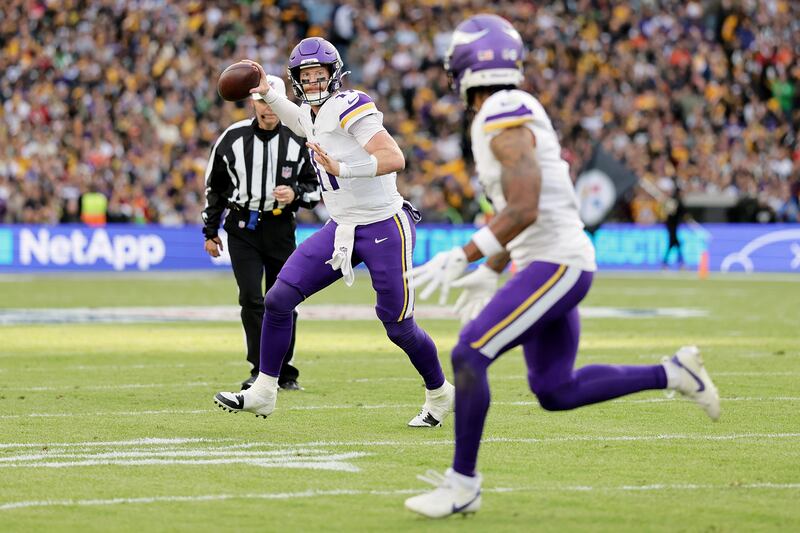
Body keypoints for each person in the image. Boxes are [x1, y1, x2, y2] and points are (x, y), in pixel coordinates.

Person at [402, 14, 721, 518]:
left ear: (461, 68)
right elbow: (535, 209)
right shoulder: (509, 108)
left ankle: (463, 484)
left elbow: (525, 207)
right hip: (546, 260)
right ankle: (673, 373)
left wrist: (465, 255)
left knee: (468, 354)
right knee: (555, 389)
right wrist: (491, 266)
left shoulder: (501, 112)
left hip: (556, 265)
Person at [213, 37, 455, 426]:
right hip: (342, 226)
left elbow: (395, 158)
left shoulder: (350, 105)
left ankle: (440, 393)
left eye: (318, 74)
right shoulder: (312, 112)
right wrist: (266, 92)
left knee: (397, 325)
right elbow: (298, 119)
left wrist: (345, 170)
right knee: (277, 299)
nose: (311, 81)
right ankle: (263, 391)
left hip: (383, 224)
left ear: (333, 74)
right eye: (305, 76)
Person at [203, 75, 320, 392]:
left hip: (281, 228)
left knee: (284, 299)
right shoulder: (232, 138)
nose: (267, 109)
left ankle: (283, 369)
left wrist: (294, 194)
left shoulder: (298, 138)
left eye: (271, 102)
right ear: (252, 103)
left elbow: (316, 188)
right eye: (261, 102)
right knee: (252, 298)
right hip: (243, 227)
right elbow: (216, 187)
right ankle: (261, 369)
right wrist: (210, 231)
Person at [662, 180, 687, 269]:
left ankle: (678, 263)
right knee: (675, 244)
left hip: (671, 226)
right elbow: (682, 213)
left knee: (674, 244)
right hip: (672, 226)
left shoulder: (671, 200)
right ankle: (680, 263)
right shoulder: (677, 201)